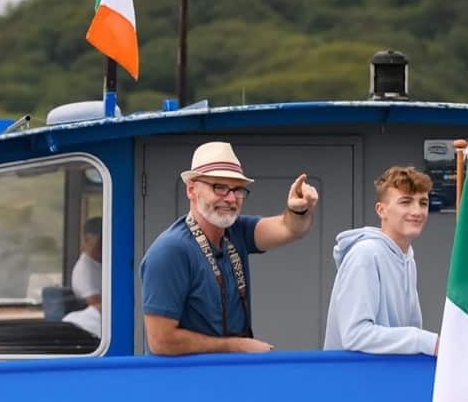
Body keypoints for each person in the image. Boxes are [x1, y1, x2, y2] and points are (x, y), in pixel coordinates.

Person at [140, 141, 320, 355]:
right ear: (191, 190)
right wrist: (236, 347)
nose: (231, 198)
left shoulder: (236, 231)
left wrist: (298, 210)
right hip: (186, 384)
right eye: (219, 187)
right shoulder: (170, 250)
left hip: (230, 376)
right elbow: (161, 341)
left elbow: (290, 229)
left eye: (237, 189)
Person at [323, 166, 438, 355]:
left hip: (385, 378)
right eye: (406, 202)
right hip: (353, 381)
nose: (417, 211)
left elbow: (409, 328)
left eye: (423, 203)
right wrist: (425, 341)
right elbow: (355, 335)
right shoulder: (365, 254)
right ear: (381, 210)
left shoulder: (408, 257)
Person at [70, 216, 103, 310]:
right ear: (87, 239)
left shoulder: (105, 266)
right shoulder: (84, 270)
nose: (103, 245)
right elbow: (96, 305)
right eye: (100, 241)